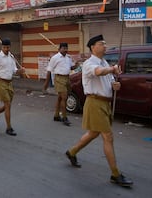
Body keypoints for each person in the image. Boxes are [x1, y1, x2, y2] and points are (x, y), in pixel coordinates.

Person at [65, 35, 133, 187]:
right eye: (101, 44)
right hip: (95, 103)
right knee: (108, 137)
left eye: (105, 43)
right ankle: (115, 174)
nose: (105, 46)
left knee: (93, 133)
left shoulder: (104, 62)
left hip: (104, 103)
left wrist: (115, 85)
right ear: (92, 47)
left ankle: (72, 152)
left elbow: (107, 81)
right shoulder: (89, 63)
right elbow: (99, 72)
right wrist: (112, 69)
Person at [0, 38, 25, 136]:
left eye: (8, 47)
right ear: (1, 47)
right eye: (4, 47)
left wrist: (20, 70)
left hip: (10, 83)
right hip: (1, 82)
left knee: (8, 105)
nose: (6, 49)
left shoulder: (11, 57)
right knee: (7, 105)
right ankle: (9, 127)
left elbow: (14, 70)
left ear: (10, 47)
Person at [43, 42, 78, 126]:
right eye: (64, 48)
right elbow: (49, 70)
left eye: (66, 48)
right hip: (59, 78)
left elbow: (70, 67)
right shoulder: (55, 58)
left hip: (67, 78)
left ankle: (56, 115)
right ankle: (64, 117)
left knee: (60, 97)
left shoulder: (68, 57)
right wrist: (46, 84)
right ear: (59, 49)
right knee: (64, 97)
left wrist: (76, 65)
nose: (65, 50)